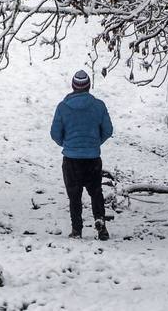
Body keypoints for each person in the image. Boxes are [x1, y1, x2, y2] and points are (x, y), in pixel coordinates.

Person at [49, 69, 114, 240]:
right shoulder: (99, 106)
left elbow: (55, 133)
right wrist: (94, 143)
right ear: (89, 87)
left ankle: (77, 230)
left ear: (73, 86)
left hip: (71, 160)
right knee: (96, 192)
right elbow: (108, 130)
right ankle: (100, 222)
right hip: (92, 159)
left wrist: (68, 144)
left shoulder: (63, 107)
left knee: (74, 196)